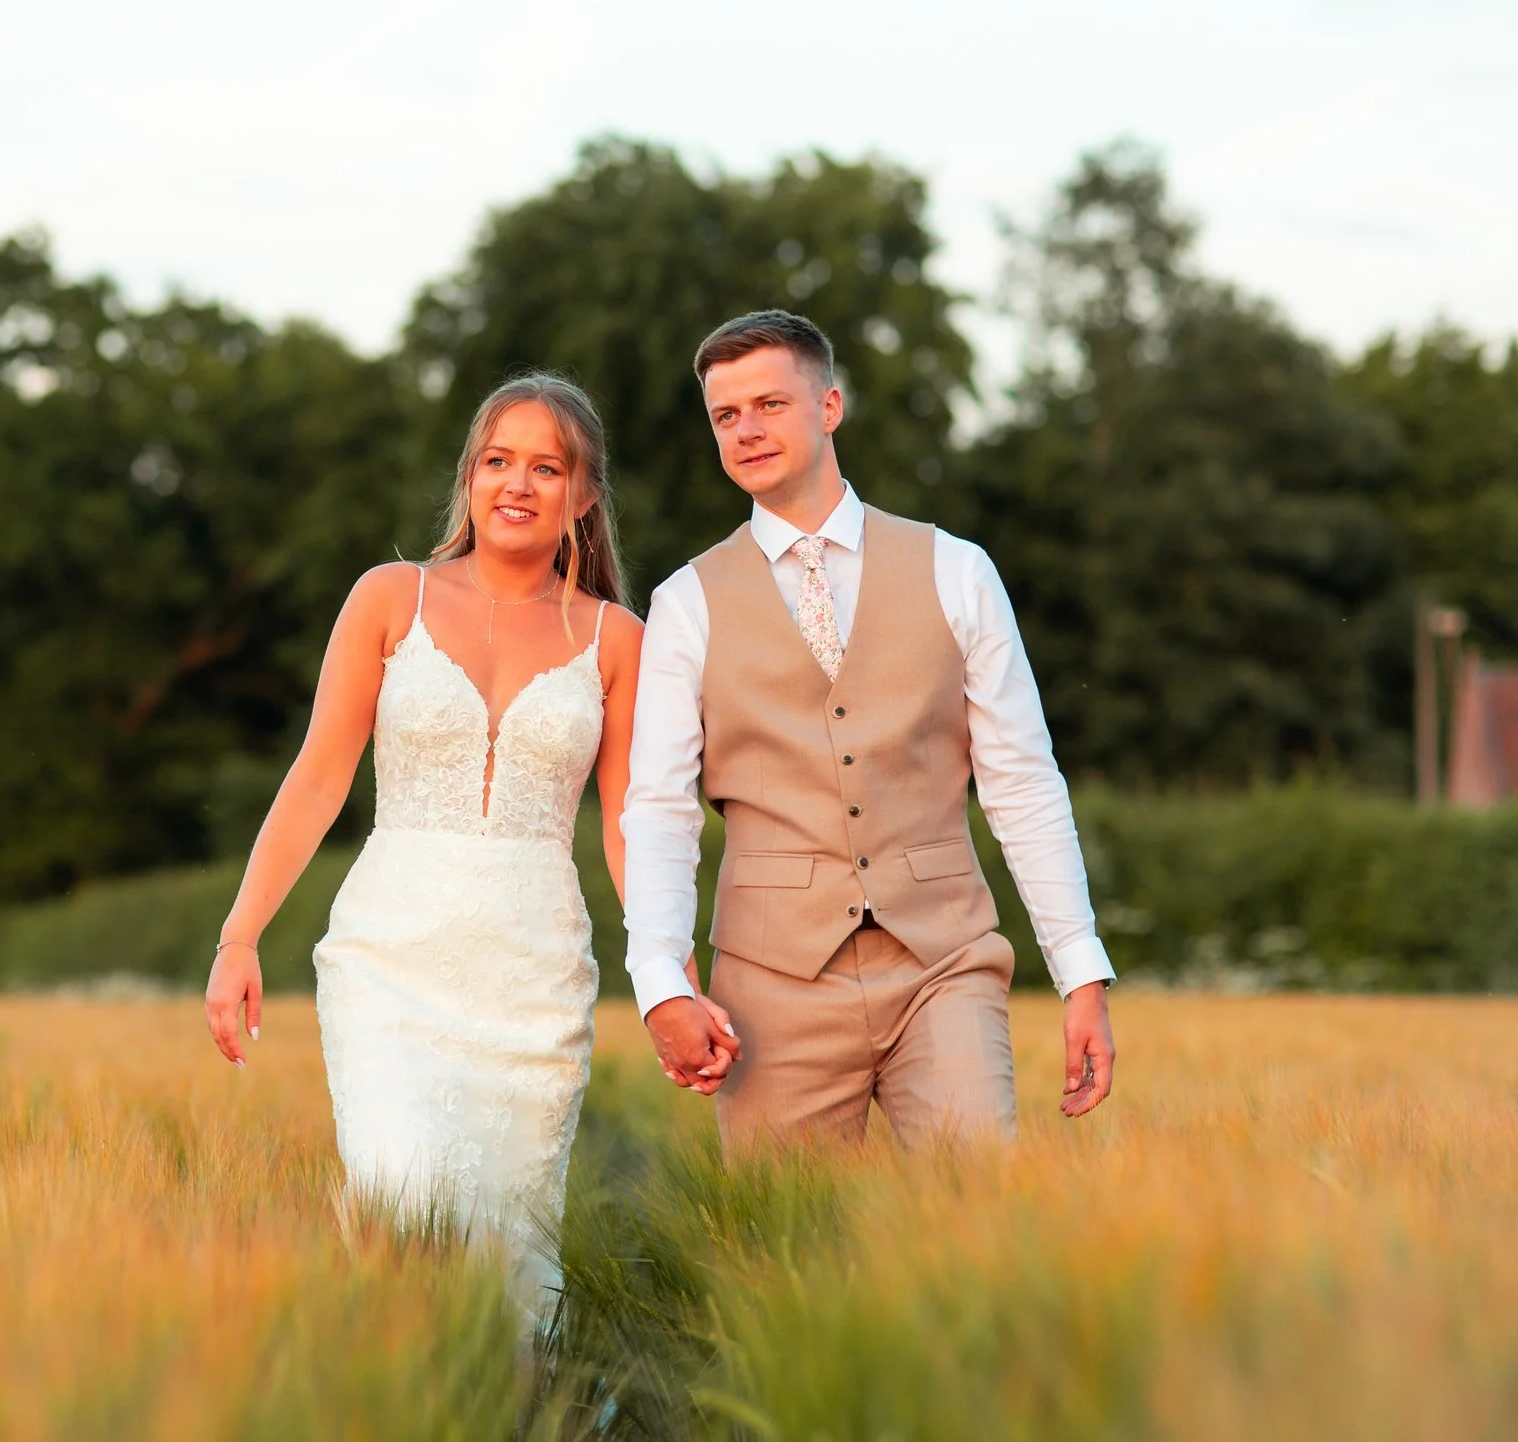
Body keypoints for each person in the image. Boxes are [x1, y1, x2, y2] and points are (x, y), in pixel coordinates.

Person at [203, 373, 667, 1327]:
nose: (517, 484)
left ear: (583, 495)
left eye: (547, 467)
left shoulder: (619, 639)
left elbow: (630, 827)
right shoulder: (389, 596)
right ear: (468, 474)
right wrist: (238, 933)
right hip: (391, 962)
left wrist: (671, 973)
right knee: (399, 1201)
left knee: (510, 1250)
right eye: (498, 460)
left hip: (534, 978)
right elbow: (319, 776)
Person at [624, 309, 1117, 1151]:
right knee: (787, 1261)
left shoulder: (957, 569)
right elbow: (661, 809)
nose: (746, 430)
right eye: (725, 415)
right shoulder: (685, 603)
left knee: (977, 1227)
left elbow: (1023, 780)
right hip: (770, 987)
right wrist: (659, 979)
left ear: (830, 407)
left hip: (944, 962)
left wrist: (1081, 971)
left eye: (769, 404)